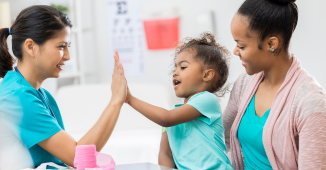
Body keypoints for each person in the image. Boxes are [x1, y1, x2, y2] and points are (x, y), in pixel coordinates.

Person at [0, 5, 127, 170]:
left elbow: (67, 160)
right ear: (30, 47)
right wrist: (116, 101)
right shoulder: (17, 98)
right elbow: (77, 157)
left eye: (69, 46)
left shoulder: (41, 95)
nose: (67, 56)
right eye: (61, 46)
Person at [223, 0, 326, 169]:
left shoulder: (311, 102)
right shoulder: (244, 83)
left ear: (271, 44)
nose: (235, 51)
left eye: (241, 45)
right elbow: (226, 140)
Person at [120, 32, 234, 169]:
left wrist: (129, 99)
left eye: (183, 67)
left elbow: (166, 118)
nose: (175, 72)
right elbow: (165, 153)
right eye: (175, 67)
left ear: (207, 75)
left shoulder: (207, 100)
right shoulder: (172, 115)